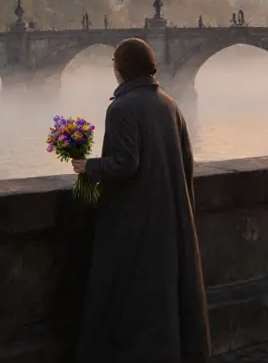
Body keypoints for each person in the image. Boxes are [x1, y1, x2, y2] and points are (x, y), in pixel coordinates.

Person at [72, 38, 210, 362]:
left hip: (135, 218)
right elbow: (186, 165)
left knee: (127, 295)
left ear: (122, 68)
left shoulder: (121, 108)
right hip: (170, 217)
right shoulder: (169, 104)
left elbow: (125, 163)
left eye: (114, 63)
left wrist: (89, 166)